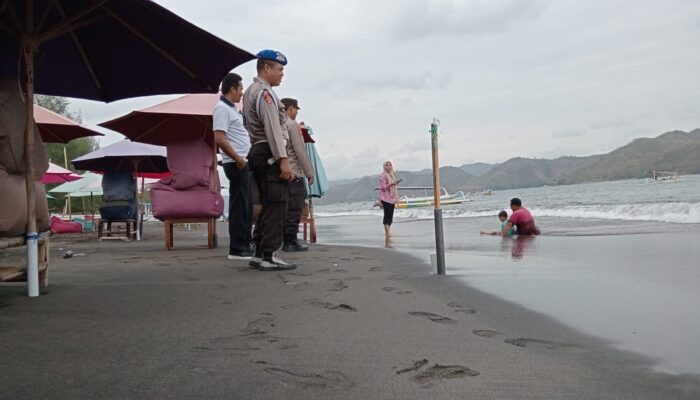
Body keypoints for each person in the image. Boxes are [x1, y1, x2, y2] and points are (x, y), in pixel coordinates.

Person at [242, 49, 297, 271]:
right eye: (280, 69)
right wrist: (283, 159)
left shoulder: (249, 92)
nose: (282, 74)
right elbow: (273, 129)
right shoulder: (265, 94)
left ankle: (258, 252)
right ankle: (269, 254)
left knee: (266, 203)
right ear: (266, 68)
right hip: (269, 152)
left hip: (257, 150)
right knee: (277, 203)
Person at [212, 73, 253, 260]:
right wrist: (238, 158)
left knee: (245, 205)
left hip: (241, 161)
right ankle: (237, 248)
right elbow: (219, 137)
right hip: (236, 163)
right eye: (241, 89)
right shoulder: (221, 109)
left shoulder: (232, 109)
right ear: (232, 89)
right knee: (239, 206)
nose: (242, 93)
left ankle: (244, 244)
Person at [280, 97, 314, 252]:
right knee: (296, 206)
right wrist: (309, 172)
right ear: (290, 109)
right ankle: (290, 240)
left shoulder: (277, 124)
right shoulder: (292, 125)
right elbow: (300, 151)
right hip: (294, 171)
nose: (296, 113)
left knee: (284, 207)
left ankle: (284, 238)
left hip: (280, 172)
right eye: (295, 109)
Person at [378, 161, 400, 238]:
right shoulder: (383, 176)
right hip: (385, 198)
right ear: (384, 167)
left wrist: (396, 197)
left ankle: (387, 232)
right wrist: (391, 184)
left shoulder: (392, 175)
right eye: (387, 165)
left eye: (390, 165)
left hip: (392, 198)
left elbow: (394, 188)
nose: (388, 166)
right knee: (387, 216)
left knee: (391, 217)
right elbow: (382, 187)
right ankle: (387, 233)